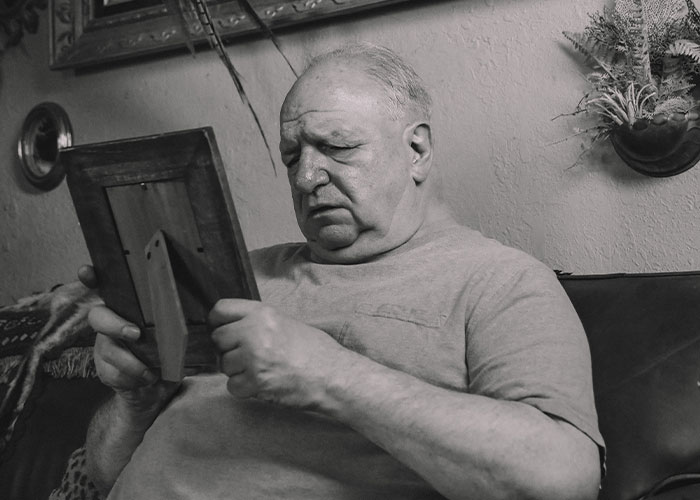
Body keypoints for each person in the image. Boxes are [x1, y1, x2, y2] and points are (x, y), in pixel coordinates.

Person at [83, 43, 604, 500]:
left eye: (337, 147)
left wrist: (328, 374)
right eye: (292, 157)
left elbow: (562, 479)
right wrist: (137, 398)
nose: (306, 177)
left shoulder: (500, 281)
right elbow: (106, 477)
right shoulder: (236, 273)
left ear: (417, 150)